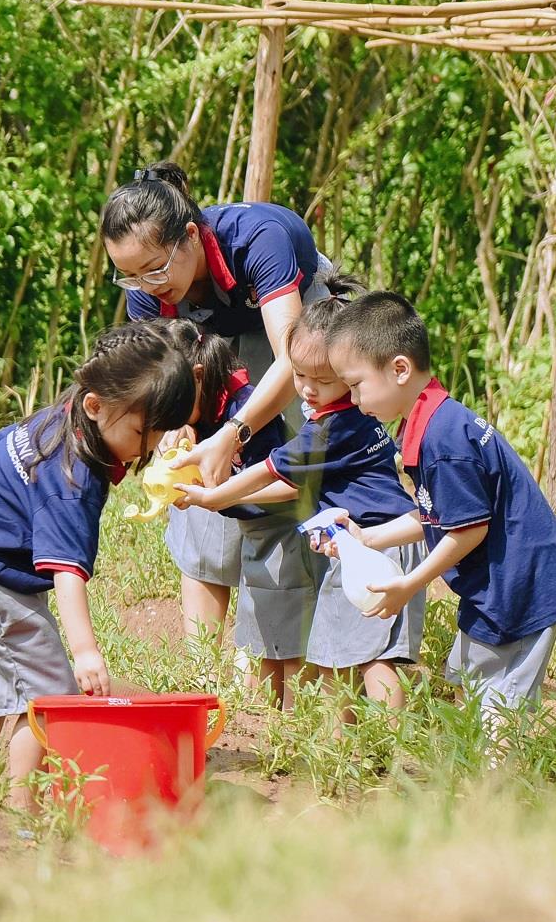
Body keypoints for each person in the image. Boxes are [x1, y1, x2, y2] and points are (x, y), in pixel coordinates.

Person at [0, 323, 197, 790]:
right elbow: (66, 573)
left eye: (159, 433)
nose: (150, 446)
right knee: (46, 698)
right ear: (97, 407)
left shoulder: (64, 414)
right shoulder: (74, 482)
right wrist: (85, 652)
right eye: (143, 432)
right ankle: (25, 815)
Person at [323, 292, 556, 726]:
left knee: (500, 708)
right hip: (496, 584)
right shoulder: (431, 420)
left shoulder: (443, 440)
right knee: (467, 683)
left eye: (356, 384)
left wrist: (410, 583)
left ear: (399, 369)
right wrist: (367, 538)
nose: (351, 399)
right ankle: (479, 779)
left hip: (518, 587)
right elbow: (434, 514)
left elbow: (468, 531)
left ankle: (500, 787)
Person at [102, 163, 332, 643]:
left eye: (156, 269)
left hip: (295, 327)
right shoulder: (148, 288)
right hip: (210, 339)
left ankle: (287, 636)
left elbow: (294, 361)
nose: (147, 286)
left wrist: (234, 432)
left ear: (189, 235)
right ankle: (203, 662)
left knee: (296, 458)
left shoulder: (257, 239)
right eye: (130, 277)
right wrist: (176, 433)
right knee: (193, 464)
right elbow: (162, 381)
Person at [177, 292, 427, 710]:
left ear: (349, 371)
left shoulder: (336, 426)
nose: (308, 390)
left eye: (324, 380)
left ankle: (394, 747)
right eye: (300, 376)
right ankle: (339, 750)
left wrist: (215, 495)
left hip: (382, 540)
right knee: (335, 655)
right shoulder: (338, 417)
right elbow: (292, 483)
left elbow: (272, 469)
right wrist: (221, 498)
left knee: (377, 657)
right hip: (353, 544)